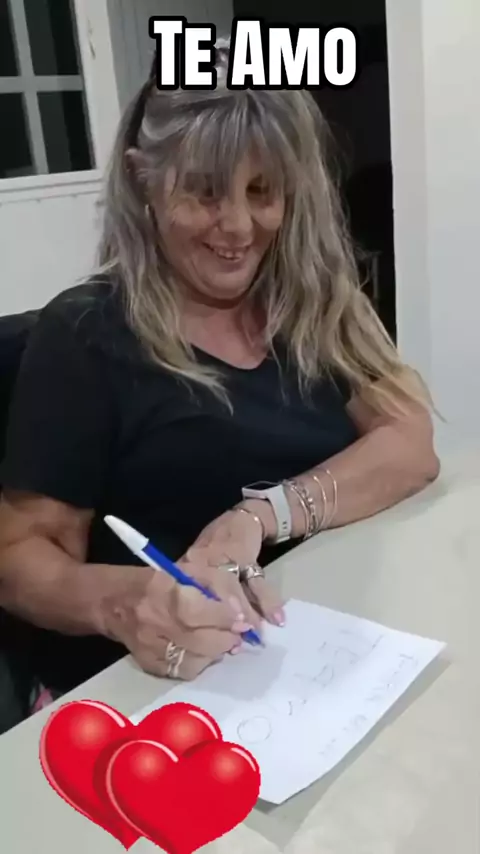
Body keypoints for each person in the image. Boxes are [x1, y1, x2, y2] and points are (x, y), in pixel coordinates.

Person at [0, 40, 439, 701]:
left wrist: (259, 516)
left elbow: (410, 443)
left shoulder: (312, 300)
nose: (237, 226)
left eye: (262, 191)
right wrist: (128, 602)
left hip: (313, 659)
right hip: (152, 688)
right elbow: (18, 562)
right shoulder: (86, 335)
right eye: (205, 192)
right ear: (143, 180)